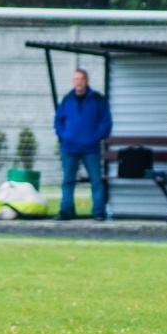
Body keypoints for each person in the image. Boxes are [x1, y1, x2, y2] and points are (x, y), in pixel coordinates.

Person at [53, 68, 113, 221]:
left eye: (81, 79)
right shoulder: (67, 99)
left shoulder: (98, 99)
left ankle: (98, 212)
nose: (78, 82)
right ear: (72, 82)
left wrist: (96, 137)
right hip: (69, 148)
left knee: (96, 181)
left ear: (87, 81)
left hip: (90, 148)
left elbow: (106, 122)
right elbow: (58, 121)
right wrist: (64, 135)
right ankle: (66, 210)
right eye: (75, 79)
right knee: (68, 181)